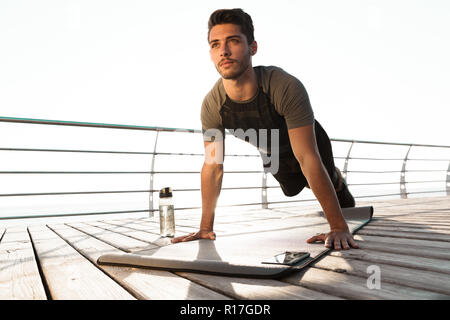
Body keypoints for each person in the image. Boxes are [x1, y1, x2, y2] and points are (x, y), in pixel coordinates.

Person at [172, 8, 359, 250]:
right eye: (215, 44)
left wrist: (338, 228)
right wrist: (205, 228)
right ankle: (318, 181)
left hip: (308, 143)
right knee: (291, 188)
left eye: (234, 41)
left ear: (253, 47)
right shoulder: (212, 105)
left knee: (319, 175)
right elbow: (212, 165)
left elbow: (307, 157)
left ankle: (336, 179)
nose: (224, 51)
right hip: (272, 152)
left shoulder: (284, 86)